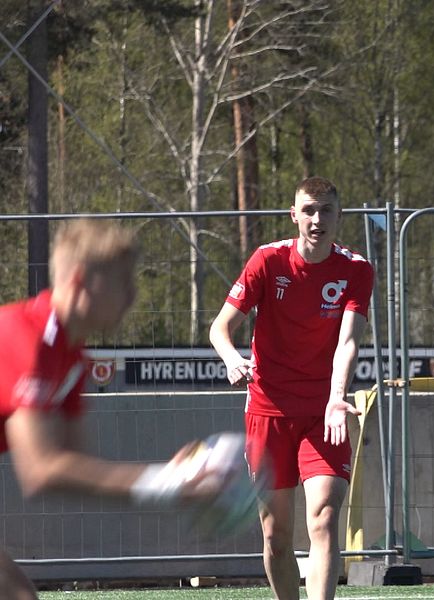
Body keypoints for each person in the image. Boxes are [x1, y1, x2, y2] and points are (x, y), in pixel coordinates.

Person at [0, 219, 217, 600]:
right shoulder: (25, 337)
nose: (133, 296)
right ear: (81, 281)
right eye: (123, 282)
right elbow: (40, 470)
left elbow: (75, 466)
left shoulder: (71, 357)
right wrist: (165, 482)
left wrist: (172, 478)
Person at [209, 176, 374, 600]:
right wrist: (232, 359)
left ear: (339, 215)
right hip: (268, 411)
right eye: (309, 211)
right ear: (294, 215)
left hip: (324, 413)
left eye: (326, 210)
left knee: (324, 519)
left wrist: (337, 397)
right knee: (276, 537)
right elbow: (220, 328)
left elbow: (348, 342)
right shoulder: (267, 261)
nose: (317, 220)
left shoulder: (356, 270)